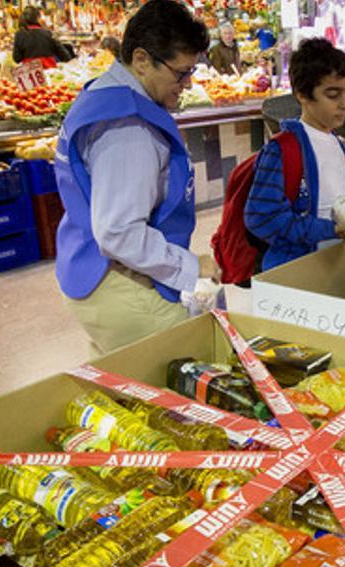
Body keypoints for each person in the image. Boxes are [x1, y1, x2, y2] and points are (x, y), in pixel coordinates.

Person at [54, 0, 219, 356]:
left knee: (123, 386)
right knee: (196, 369)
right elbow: (118, 232)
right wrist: (191, 266)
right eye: (180, 73)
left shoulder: (103, 94)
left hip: (85, 267)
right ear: (142, 59)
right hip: (116, 281)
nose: (187, 84)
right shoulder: (129, 128)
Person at [245, 38, 345, 272]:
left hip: (332, 271)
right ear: (302, 94)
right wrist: (327, 229)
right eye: (333, 95)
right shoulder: (282, 150)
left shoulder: (340, 145)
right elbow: (261, 217)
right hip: (294, 277)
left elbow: (342, 203)